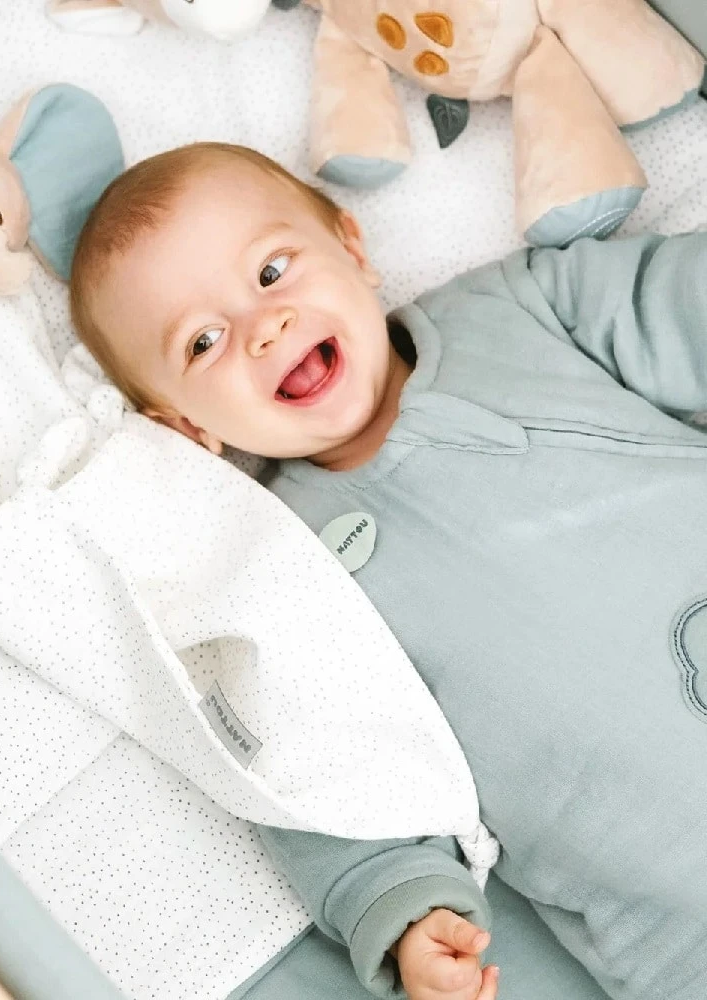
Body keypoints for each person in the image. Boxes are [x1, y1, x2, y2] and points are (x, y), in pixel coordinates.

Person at [68, 142, 707, 1000]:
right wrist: (404, 909)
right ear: (186, 426)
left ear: (352, 247)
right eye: (204, 342)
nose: (264, 328)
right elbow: (321, 776)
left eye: (271, 271)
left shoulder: (520, 310)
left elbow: (677, 304)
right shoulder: (277, 573)